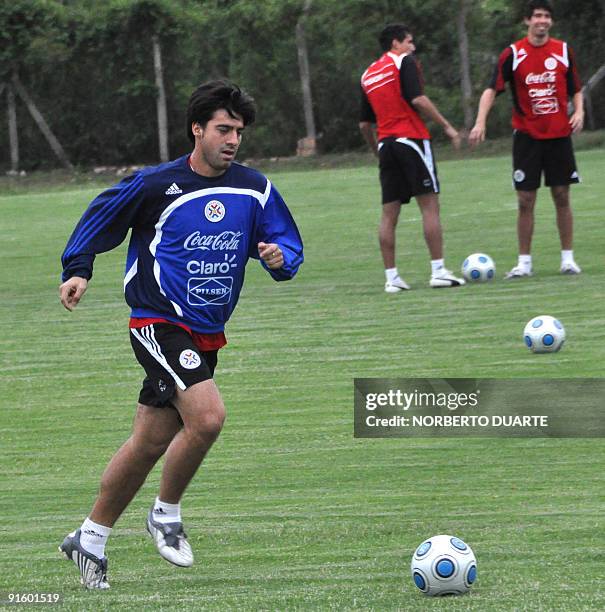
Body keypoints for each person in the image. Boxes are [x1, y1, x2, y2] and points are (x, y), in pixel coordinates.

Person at [58, 80, 304, 589]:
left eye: (238, 131)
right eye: (223, 128)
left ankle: (90, 537)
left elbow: (281, 241)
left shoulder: (254, 187)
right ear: (197, 129)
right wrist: (78, 267)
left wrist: (281, 258)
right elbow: (102, 214)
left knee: (149, 442)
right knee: (209, 418)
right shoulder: (156, 184)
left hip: (207, 333)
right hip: (157, 322)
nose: (233, 139)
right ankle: (165, 514)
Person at [469, 0, 584, 278]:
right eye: (537, 16)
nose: (541, 21)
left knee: (561, 195)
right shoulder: (513, 53)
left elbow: (575, 88)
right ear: (527, 21)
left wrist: (579, 111)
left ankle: (567, 259)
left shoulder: (563, 51)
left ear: (551, 22)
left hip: (558, 135)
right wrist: (480, 121)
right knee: (525, 200)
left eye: (546, 16)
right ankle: (524, 263)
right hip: (527, 137)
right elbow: (490, 89)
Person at [359, 23, 465, 292]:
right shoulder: (404, 61)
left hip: (386, 145)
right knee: (429, 206)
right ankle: (438, 270)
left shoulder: (368, 74)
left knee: (388, 213)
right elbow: (417, 99)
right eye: (409, 41)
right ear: (396, 43)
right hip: (411, 140)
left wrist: (377, 151)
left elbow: (364, 125)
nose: (412, 47)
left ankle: (392, 279)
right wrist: (447, 126)